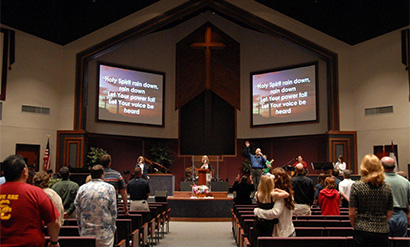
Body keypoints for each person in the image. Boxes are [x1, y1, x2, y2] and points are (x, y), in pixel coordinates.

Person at [0, 155, 60, 247]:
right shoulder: (36, 193)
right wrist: (54, 242)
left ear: (3, 173)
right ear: (24, 172)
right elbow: (53, 222)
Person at [349, 154, 393, 247]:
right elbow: (389, 212)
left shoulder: (357, 186)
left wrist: (356, 225)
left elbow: (352, 213)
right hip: (382, 230)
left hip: (362, 230)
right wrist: (381, 221)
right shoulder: (387, 187)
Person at [75, 165, 117, 247]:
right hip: (104, 234)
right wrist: (113, 228)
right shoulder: (109, 188)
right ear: (102, 175)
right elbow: (113, 211)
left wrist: (80, 228)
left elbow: (78, 211)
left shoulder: (82, 188)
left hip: (86, 233)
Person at [254, 168, 296, 237]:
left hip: (280, 233)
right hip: (289, 230)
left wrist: (257, 211)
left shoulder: (278, 197)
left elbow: (274, 213)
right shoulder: (287, 193)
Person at [381, 156, 410, 237]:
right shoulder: (405, 182)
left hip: (383, 215)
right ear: (394, 166)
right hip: (401, 216)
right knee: (401, 243)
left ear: (381, 166)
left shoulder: (378, 181)